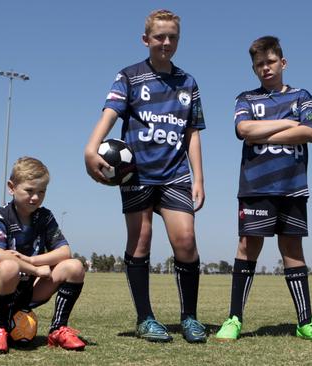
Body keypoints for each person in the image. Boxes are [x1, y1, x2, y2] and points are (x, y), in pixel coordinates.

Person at [84, 9, 207, 343]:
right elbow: (109, 113)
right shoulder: (129, 76)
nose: (166, 43)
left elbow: (192, 133)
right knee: (140, 241)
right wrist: (90, 148)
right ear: (146, 40)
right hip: (136, 173)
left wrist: (199, 178)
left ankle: (190, 318)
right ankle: (145, 319)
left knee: (186, 241)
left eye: (172, 37)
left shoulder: (189, 83)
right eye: (159, 37)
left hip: (176, 174)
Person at [215, 36, 312, 342]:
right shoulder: (246, 99)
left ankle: (305, 322)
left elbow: (311, 132)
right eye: (258, 65)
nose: (264, 68)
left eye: (269, 62)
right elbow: (244, 130)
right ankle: (234, 319)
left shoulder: (302, 96)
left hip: (292, 187)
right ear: (254, 68)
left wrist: (264, 133)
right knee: (247, 247)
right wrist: (289, 125)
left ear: (283, 62)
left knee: (292, 249)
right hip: (256, 187)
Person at [0, 157, 86, 353]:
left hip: (28, 287)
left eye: (41, 192)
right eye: (29, 191)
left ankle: (58, 329)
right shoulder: (1, 216)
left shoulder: (45, 217)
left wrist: (30, 260)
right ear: (11, 187)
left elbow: (64, 251)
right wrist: (34, 269)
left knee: (74, 266)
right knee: (9, 267)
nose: (35, 197)